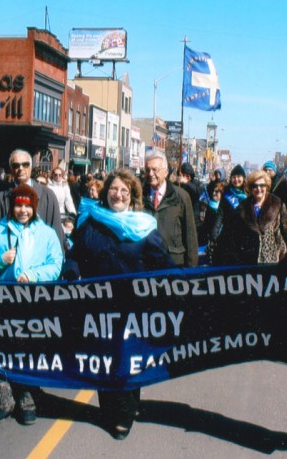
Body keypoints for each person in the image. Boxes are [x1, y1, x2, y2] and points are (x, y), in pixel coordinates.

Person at [63, 169, 175, 440]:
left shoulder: (144, 227)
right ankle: (111, 410)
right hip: (99, 308)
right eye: (114, 189)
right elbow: (76, 256)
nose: (119, 194)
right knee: (104, 361)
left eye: (125, 190)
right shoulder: (91, 223)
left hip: (133, 308)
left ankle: (125, 412)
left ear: (133, 196)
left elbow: (162, 264)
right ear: (106, 193)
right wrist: (71, 272)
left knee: (127, 360)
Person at [0, 184, 63, 425]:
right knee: (4, 346)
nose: (22, 210)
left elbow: (56, 264)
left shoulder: (46, 234)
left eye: (27, 206)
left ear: (34, 208)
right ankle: (5, 398)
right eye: (18, 205)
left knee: (29, 348)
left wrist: (34, 275)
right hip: (3, 300)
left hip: (33, 302)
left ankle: (27, 398)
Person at [0, 150, 65, 251]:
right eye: (16, 165)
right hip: (6, 262)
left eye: (25, 164)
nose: (21, 168)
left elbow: (56, 234)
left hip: (39, 262)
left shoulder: (47, 196)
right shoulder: (0, 198)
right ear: (11, 170)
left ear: (30, 167)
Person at [212, 169, 287, 265]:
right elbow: (233, 234)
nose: (259, 189)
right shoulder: (242, 207)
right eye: (255, 186)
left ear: (266, 187)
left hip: (272, 260)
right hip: (248, 262)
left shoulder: (277, 204)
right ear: (251, 188)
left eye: (262, 185)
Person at [142, 151, 198, 267]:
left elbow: (190, 237)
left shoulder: (181, 197)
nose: (150, 174)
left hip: (174, 264)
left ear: (166, 172)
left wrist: (191, 271)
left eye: (155, 170)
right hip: (146, 265)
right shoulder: (139, 196)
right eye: (147, 170)